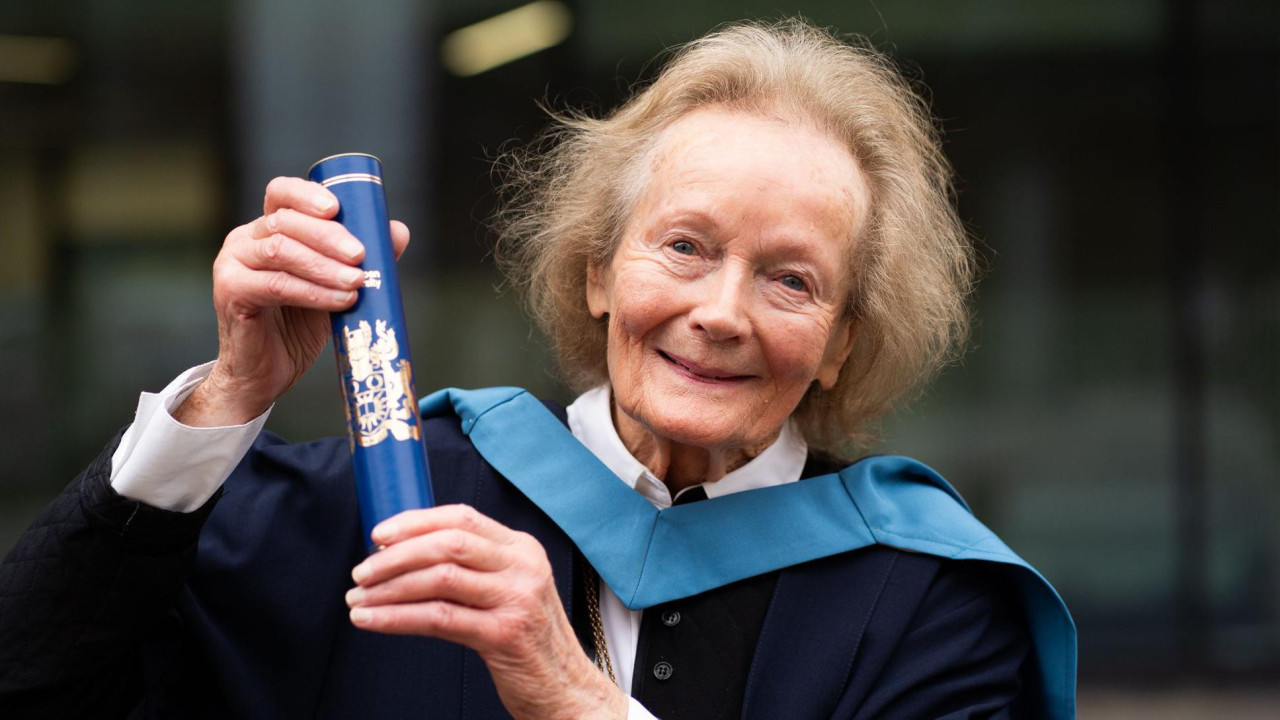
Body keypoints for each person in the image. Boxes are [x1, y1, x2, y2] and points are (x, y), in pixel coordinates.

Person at [0, 18, 1075, 719]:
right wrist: (229, 396)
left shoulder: (928, 606)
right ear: (597, 270)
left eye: (790, 280)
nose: (718, 312)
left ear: (844, 337)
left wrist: (571, 696)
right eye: (684, 246)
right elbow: (40, 682)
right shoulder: (366, 514)